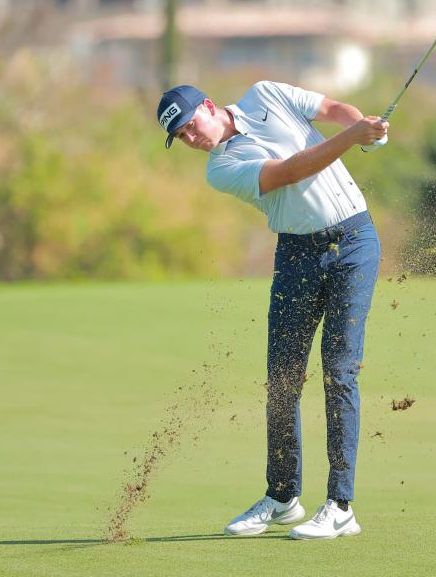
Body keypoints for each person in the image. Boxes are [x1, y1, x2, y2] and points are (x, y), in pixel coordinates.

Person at [155, 82, 388, 540]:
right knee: (282, 378)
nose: (191, 139)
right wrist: (353, 137)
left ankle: (340, 505)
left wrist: (365, 128)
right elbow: (290, 172)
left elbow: (333, 108)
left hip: (355, 243)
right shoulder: (221, 168)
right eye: (180, 137)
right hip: (297, 255)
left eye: (189, 126)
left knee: (339, 372)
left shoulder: (266, 94)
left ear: (207, 105)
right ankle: (283, 497)